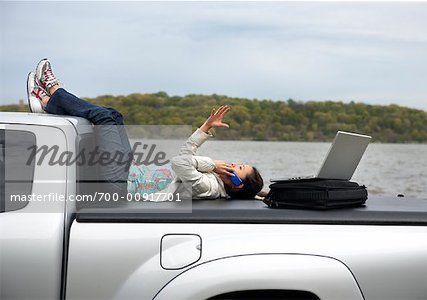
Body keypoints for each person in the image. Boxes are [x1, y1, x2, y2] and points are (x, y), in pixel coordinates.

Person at [26, 58, 264, 200]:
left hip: (119, 183)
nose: (233, 164)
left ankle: (52, 92)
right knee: (114, 115)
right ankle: (48, 106)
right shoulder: (216, 180)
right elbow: (184, 156)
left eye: (239, 168)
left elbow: (179, 163)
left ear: (237, 183)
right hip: (128, 171)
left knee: (103, 118)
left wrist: (212, 164)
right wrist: (204, 128)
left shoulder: (208, 187)